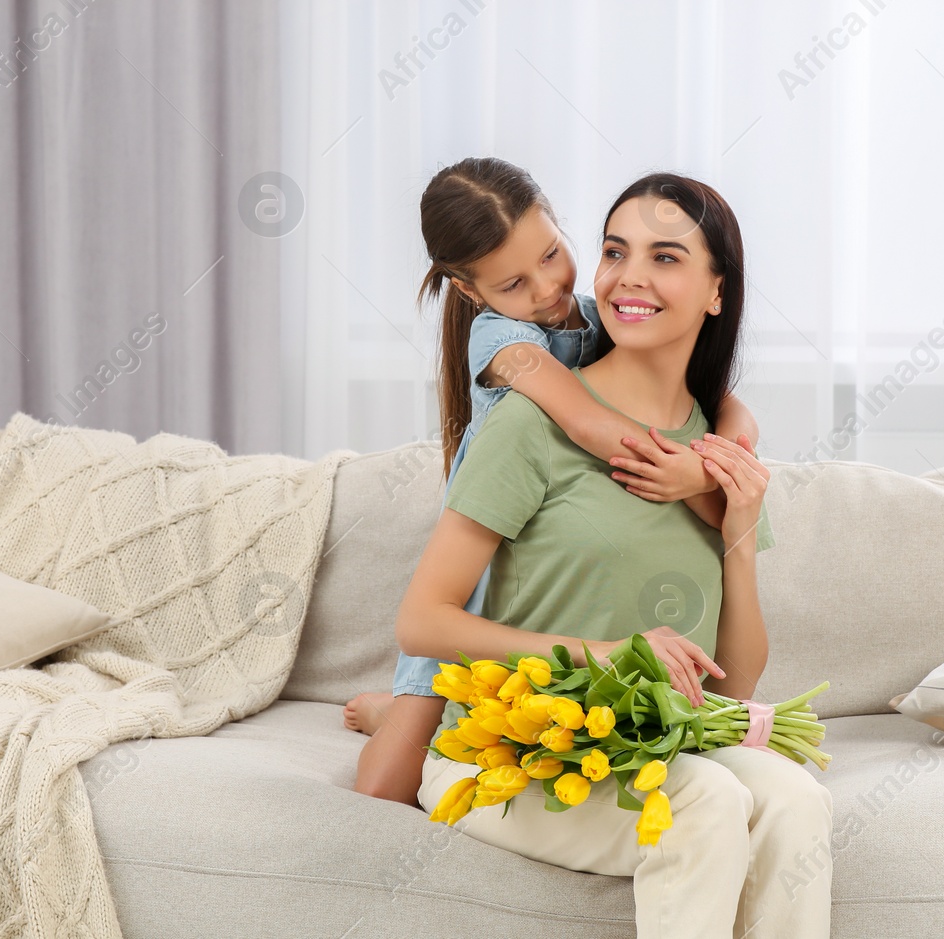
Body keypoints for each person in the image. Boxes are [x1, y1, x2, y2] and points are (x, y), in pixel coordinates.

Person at [396, 173, 832, 939]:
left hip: (645, 744)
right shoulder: (528, 420)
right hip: (509, 748)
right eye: (614, 250)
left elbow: (739, 678)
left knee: (797, 796)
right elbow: (421, 622)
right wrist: (603, 655)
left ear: (715, 292)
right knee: (707, 797)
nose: (630, 275)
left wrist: (738, 526)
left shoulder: (715, 452)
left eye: (665, 257)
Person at [346, 157, 772, 808]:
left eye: (555, 253)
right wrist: (689, 469)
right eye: (515, 280)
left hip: (556, 630)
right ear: (472, 290)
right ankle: (392, 713)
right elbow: (593, 424)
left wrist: (717, 459)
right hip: (479, 583)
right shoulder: (507, 345)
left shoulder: (600, 315)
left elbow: (729, 405)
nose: (547, 287)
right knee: (386, 781)